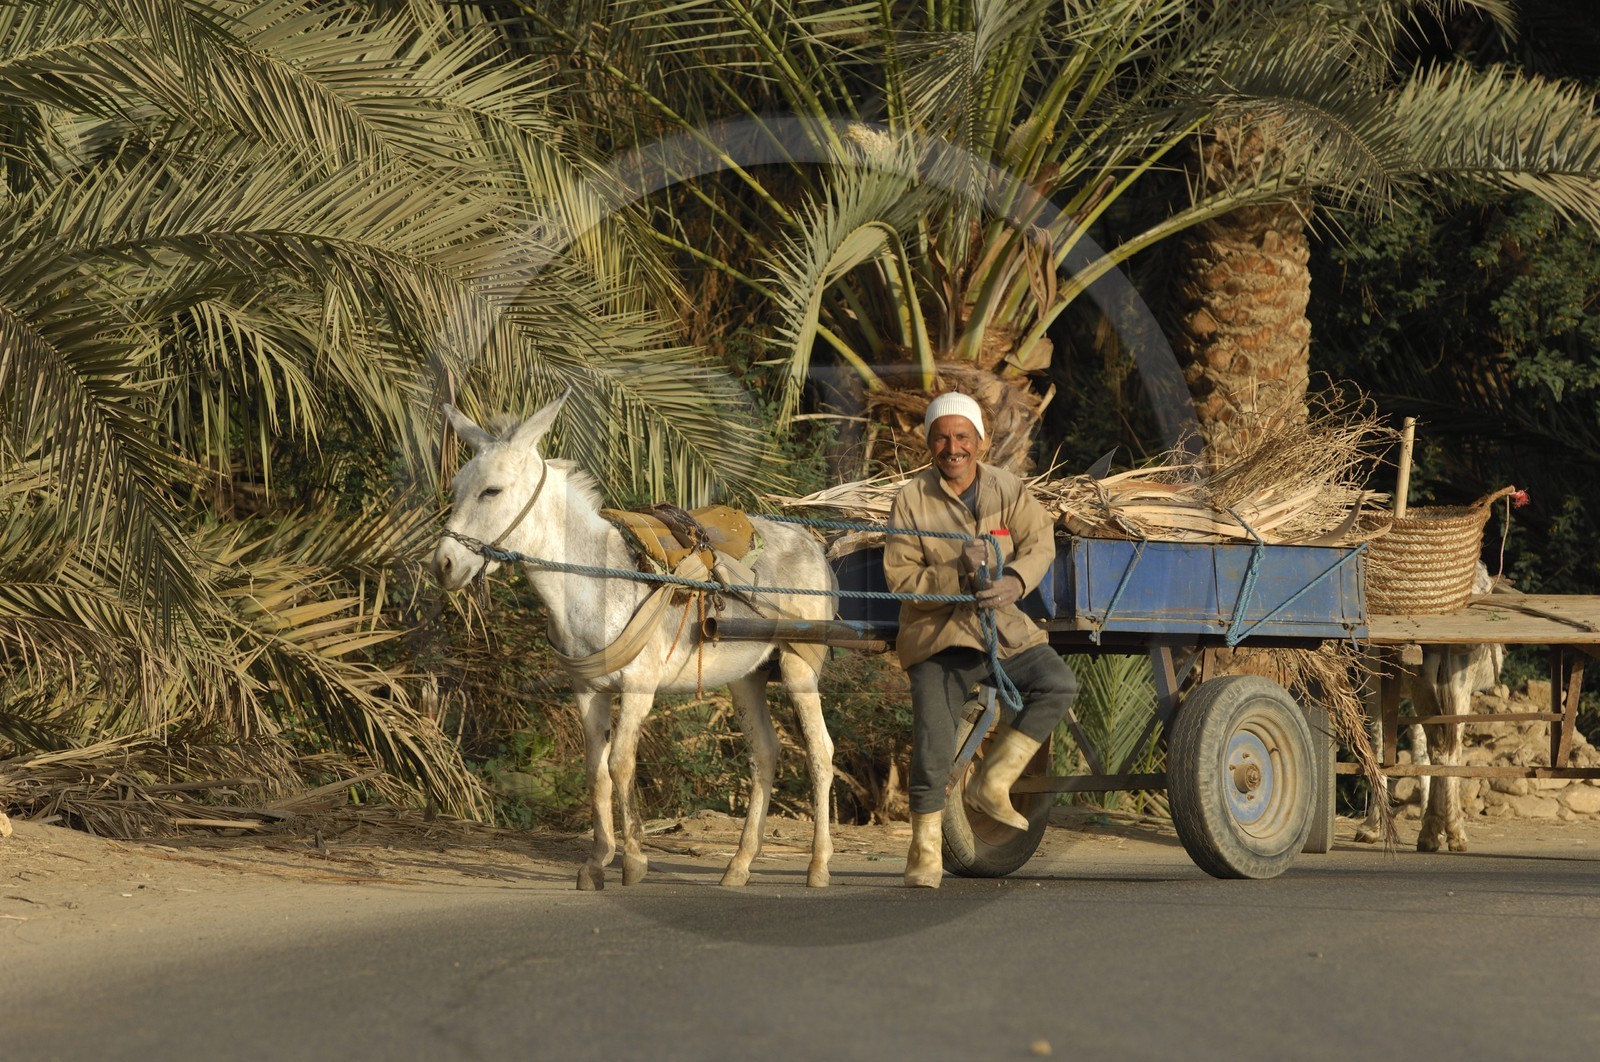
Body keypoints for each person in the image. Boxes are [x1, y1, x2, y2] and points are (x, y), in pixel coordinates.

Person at [882, 391, 1079, 888]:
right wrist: (958, 573)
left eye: (963, 437)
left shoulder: (1008, 490)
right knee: (933, 744)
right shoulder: (911, 499)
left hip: (1002, 629)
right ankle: (925, 851)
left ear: (981, 442)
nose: (953, 447)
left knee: (1056, 683)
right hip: (937, 635)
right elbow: (902, 580)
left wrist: (1014, 579)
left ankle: (993, 781)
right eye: (943, 437)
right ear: (930, 443)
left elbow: (1040, 541)